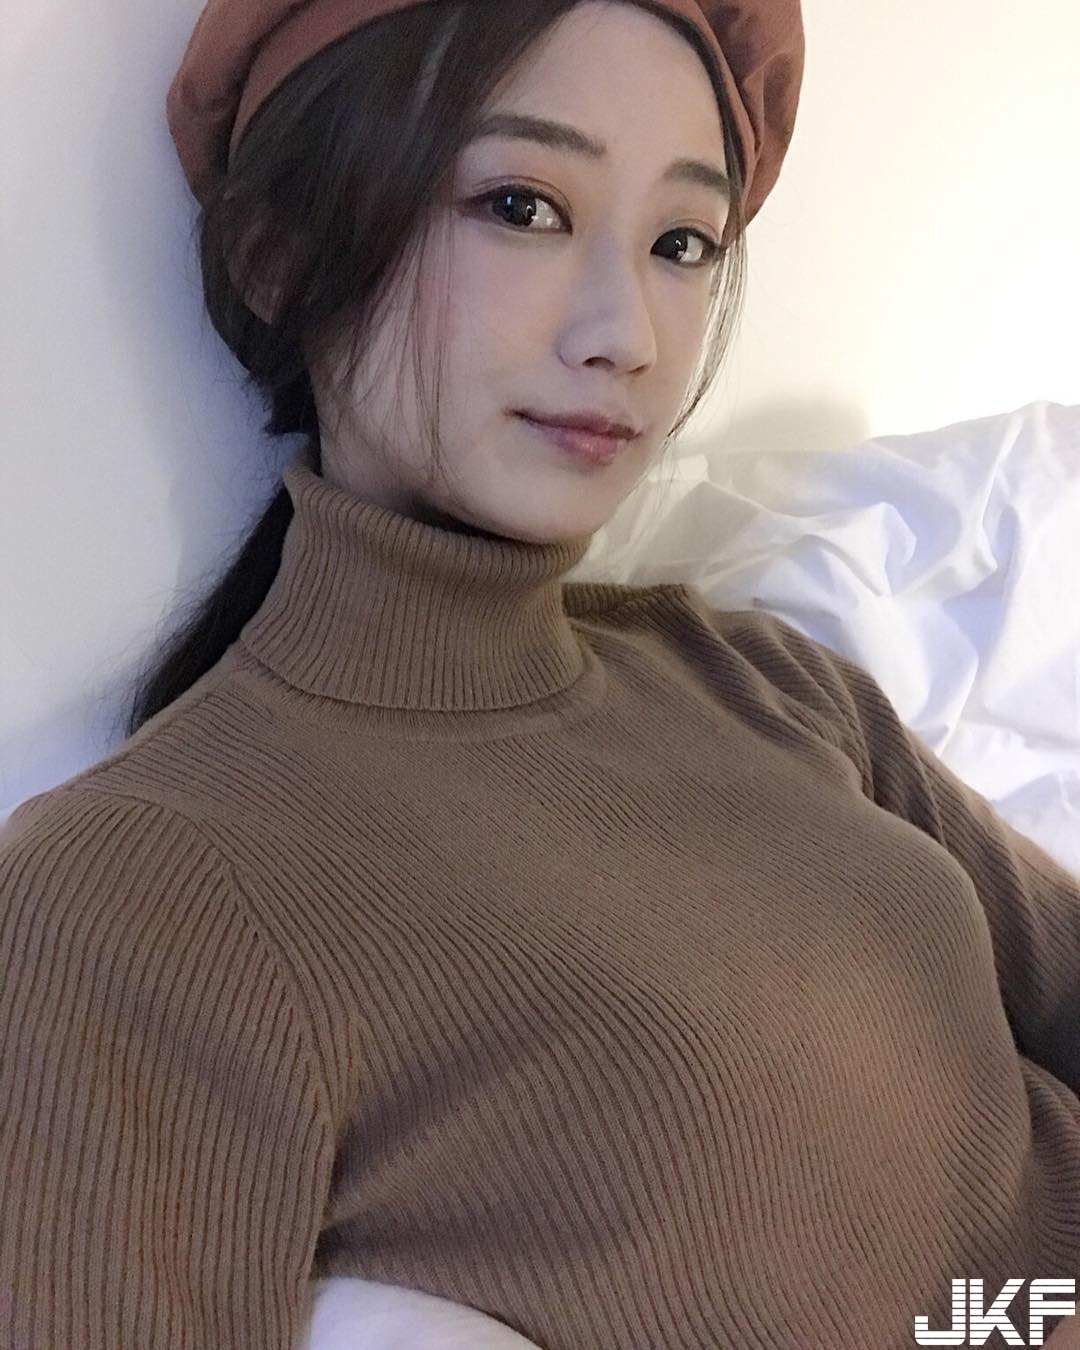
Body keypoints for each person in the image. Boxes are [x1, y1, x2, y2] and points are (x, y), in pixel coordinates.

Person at [2, 1, 1078, 1347]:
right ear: (280, 257)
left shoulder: (753, 675)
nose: (629, 334)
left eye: (682, 242)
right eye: (521, 206)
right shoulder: (136, 889)